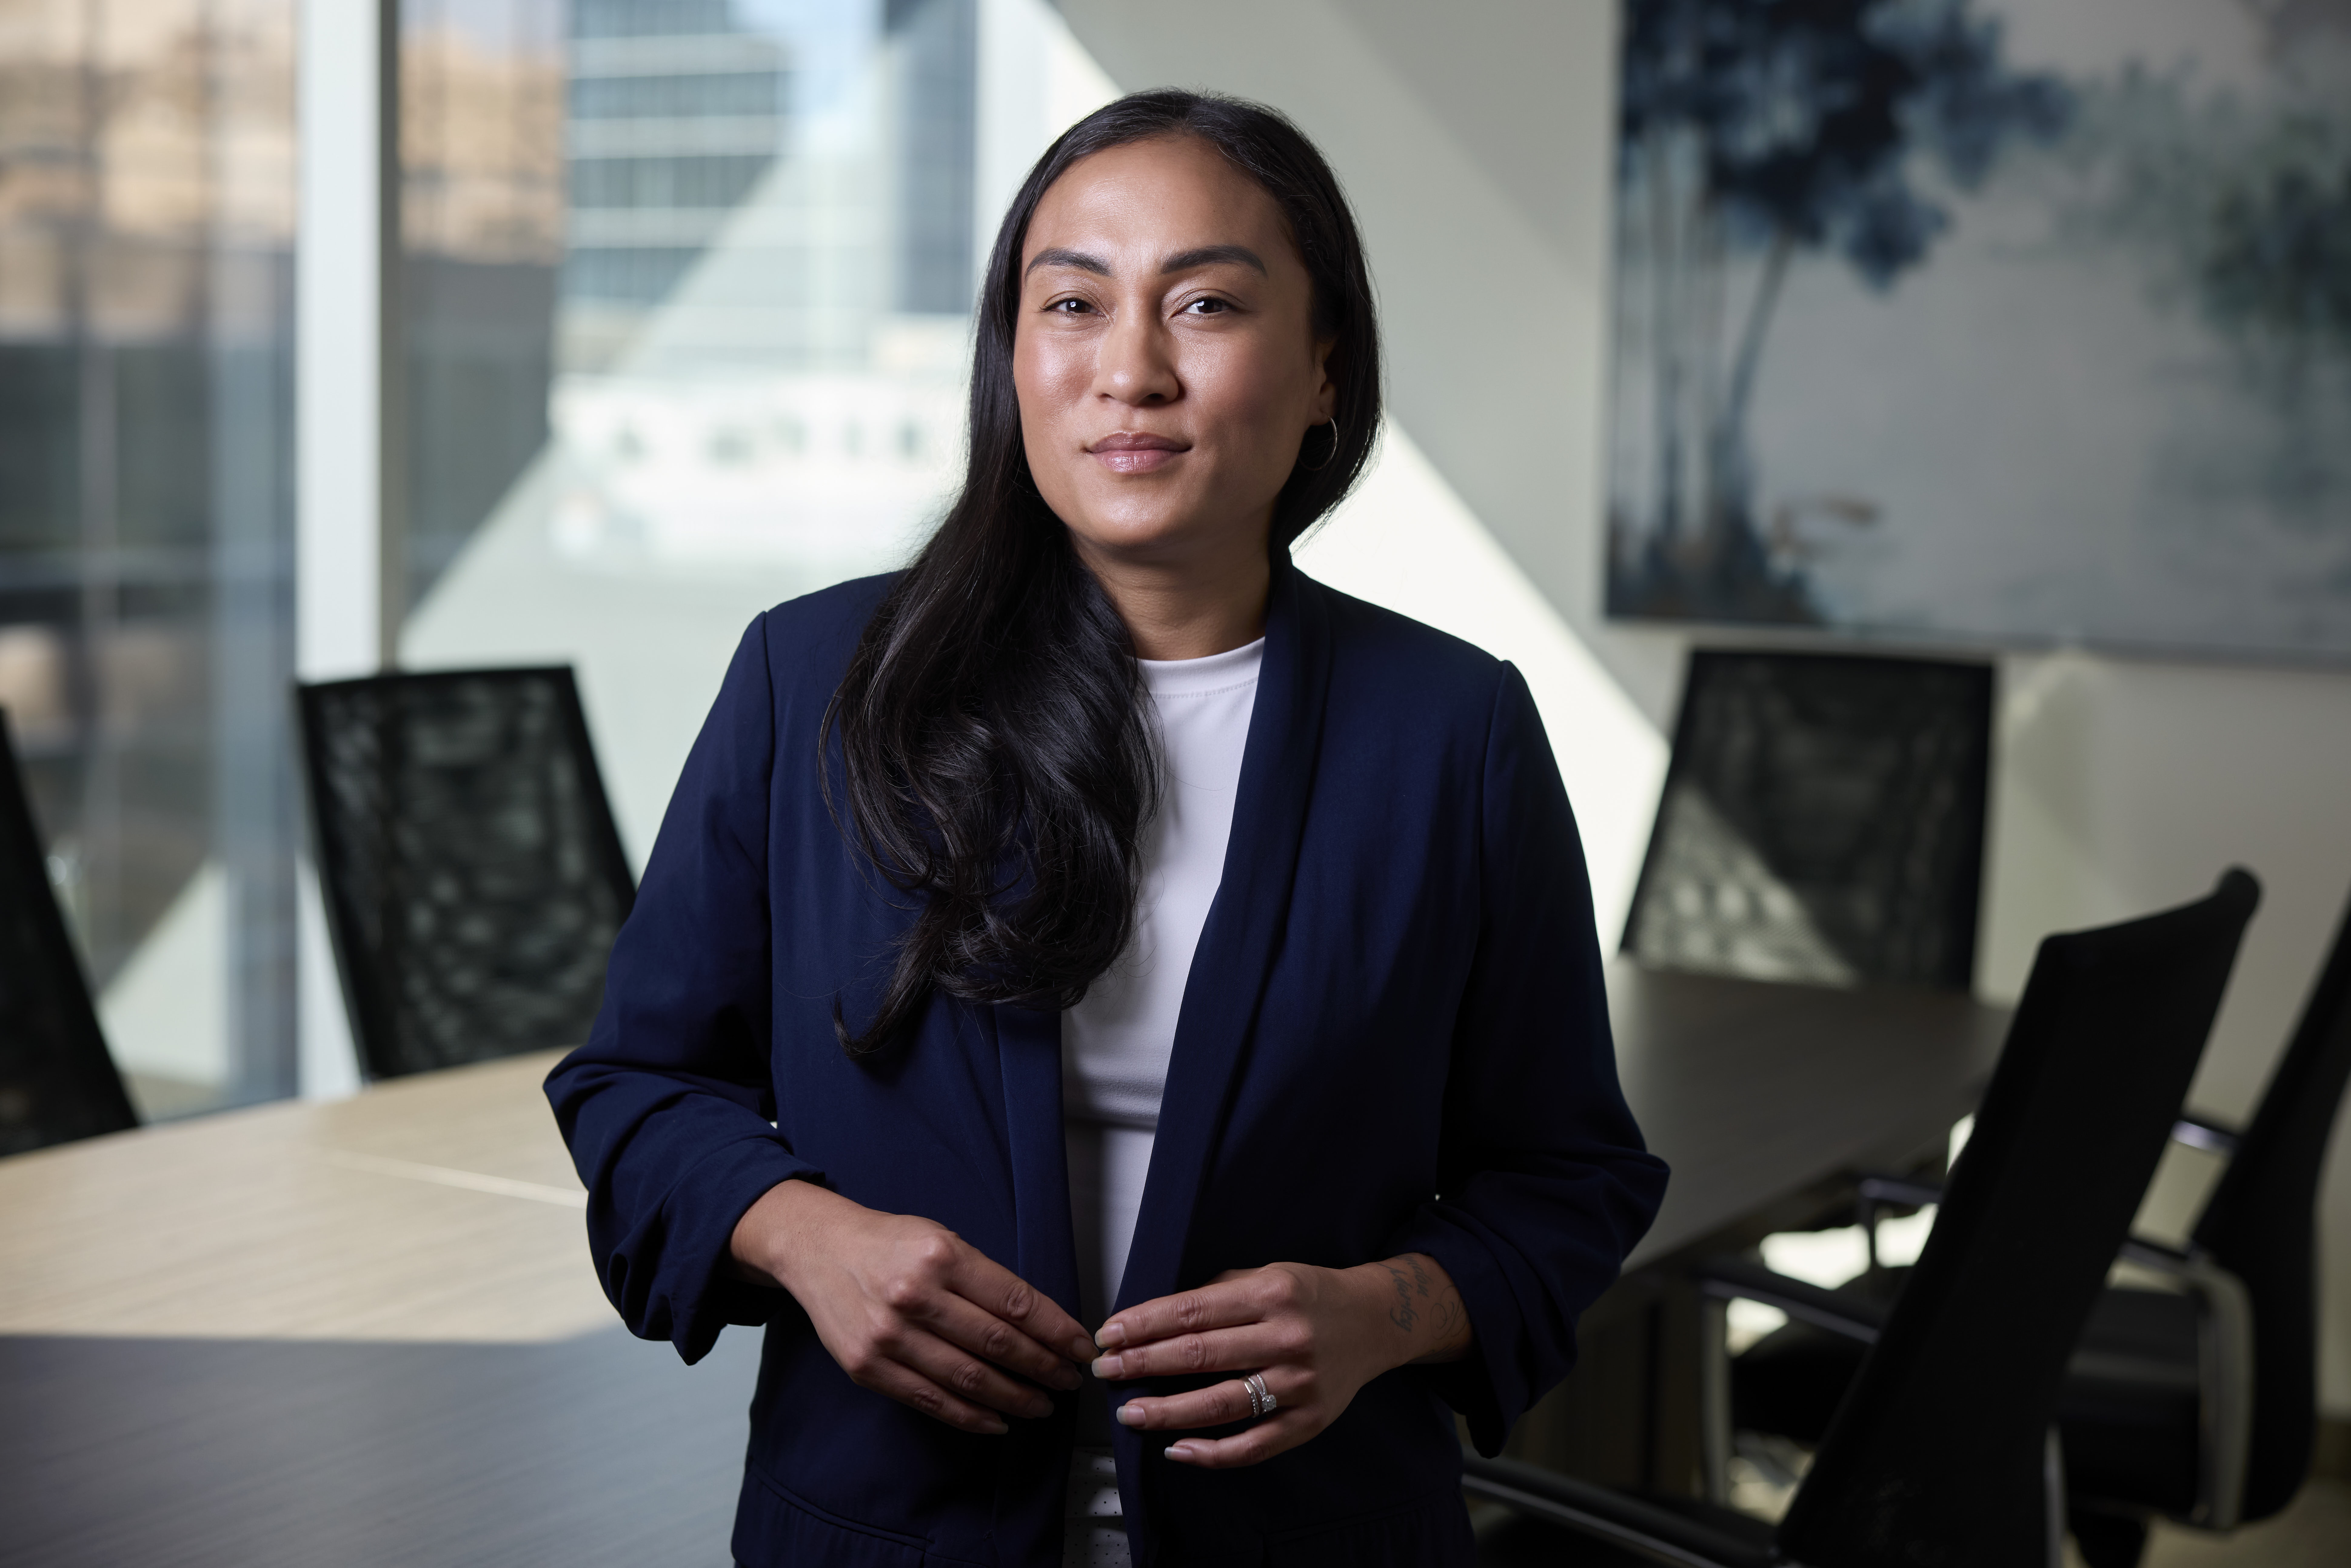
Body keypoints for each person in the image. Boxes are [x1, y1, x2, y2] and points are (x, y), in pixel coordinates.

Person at [547, 89, 1667, 1568]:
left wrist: (1382, 1312)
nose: (1128, 370)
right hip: (884, 1529)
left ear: (1326, 369)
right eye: (1070, 302)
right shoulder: (816, 683)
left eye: (1205, 303)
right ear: (1012, 361)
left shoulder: (1451, 732)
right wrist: (801, 1233)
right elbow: (637, 1086)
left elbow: (1566, 1175)